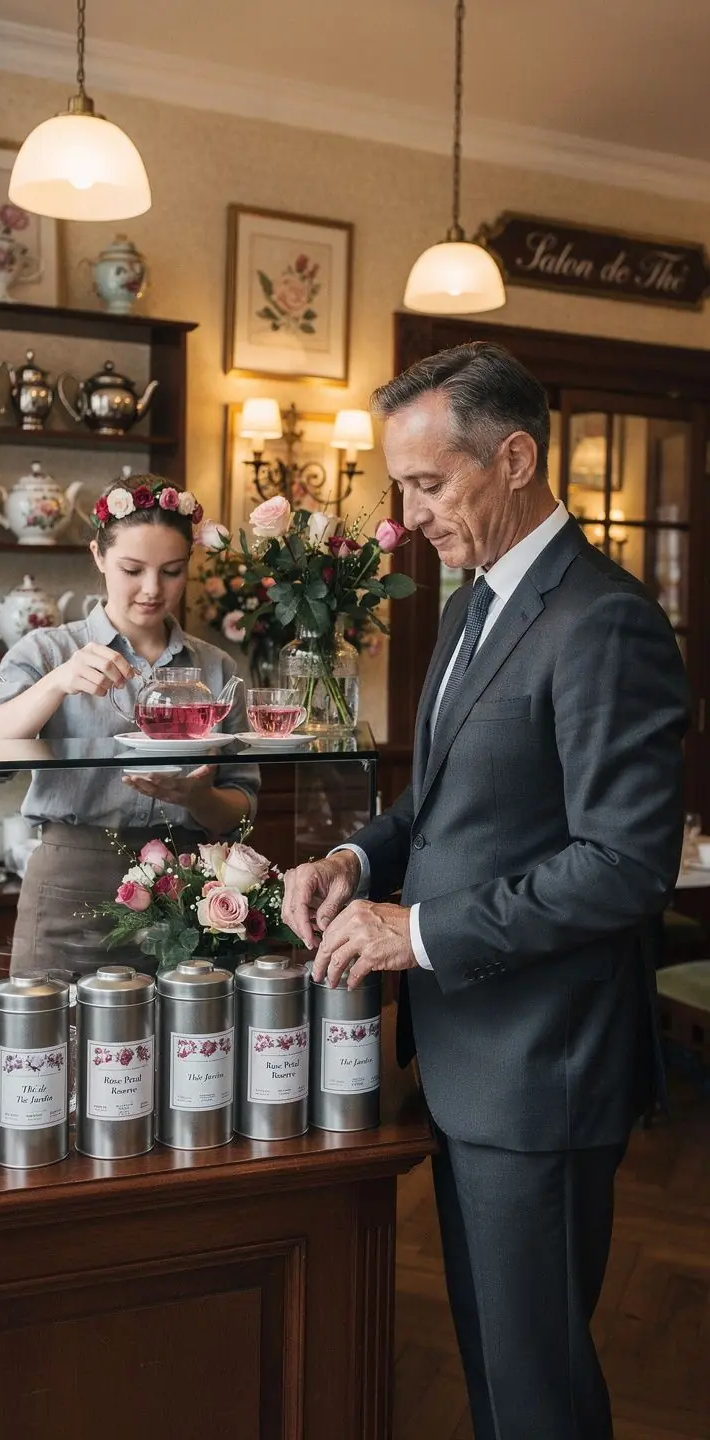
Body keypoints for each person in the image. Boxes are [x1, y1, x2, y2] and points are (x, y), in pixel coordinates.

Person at [282, 343, 689, 1440]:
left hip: (544, 1069)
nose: (409, 516)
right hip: (470, 1056)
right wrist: (355, 862)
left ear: (514, 459)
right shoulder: (473, 607)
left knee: (536, 1390)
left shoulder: (604, 620)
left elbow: (624, 864)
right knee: (496, 1372)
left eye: (428, 483)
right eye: (401, 486)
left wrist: (416, 931)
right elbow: (439, 805)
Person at [0, 472, 258, 975]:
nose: (152, 589)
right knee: (53, 1026)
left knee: (190, 1027)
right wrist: (57, 683)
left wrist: (197, 798)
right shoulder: (46, 652)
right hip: (71, 888)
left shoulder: (217, 668)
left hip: (191, 893)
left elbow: (243, 806)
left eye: (172, 571)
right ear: (98, 556)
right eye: (132, 569)